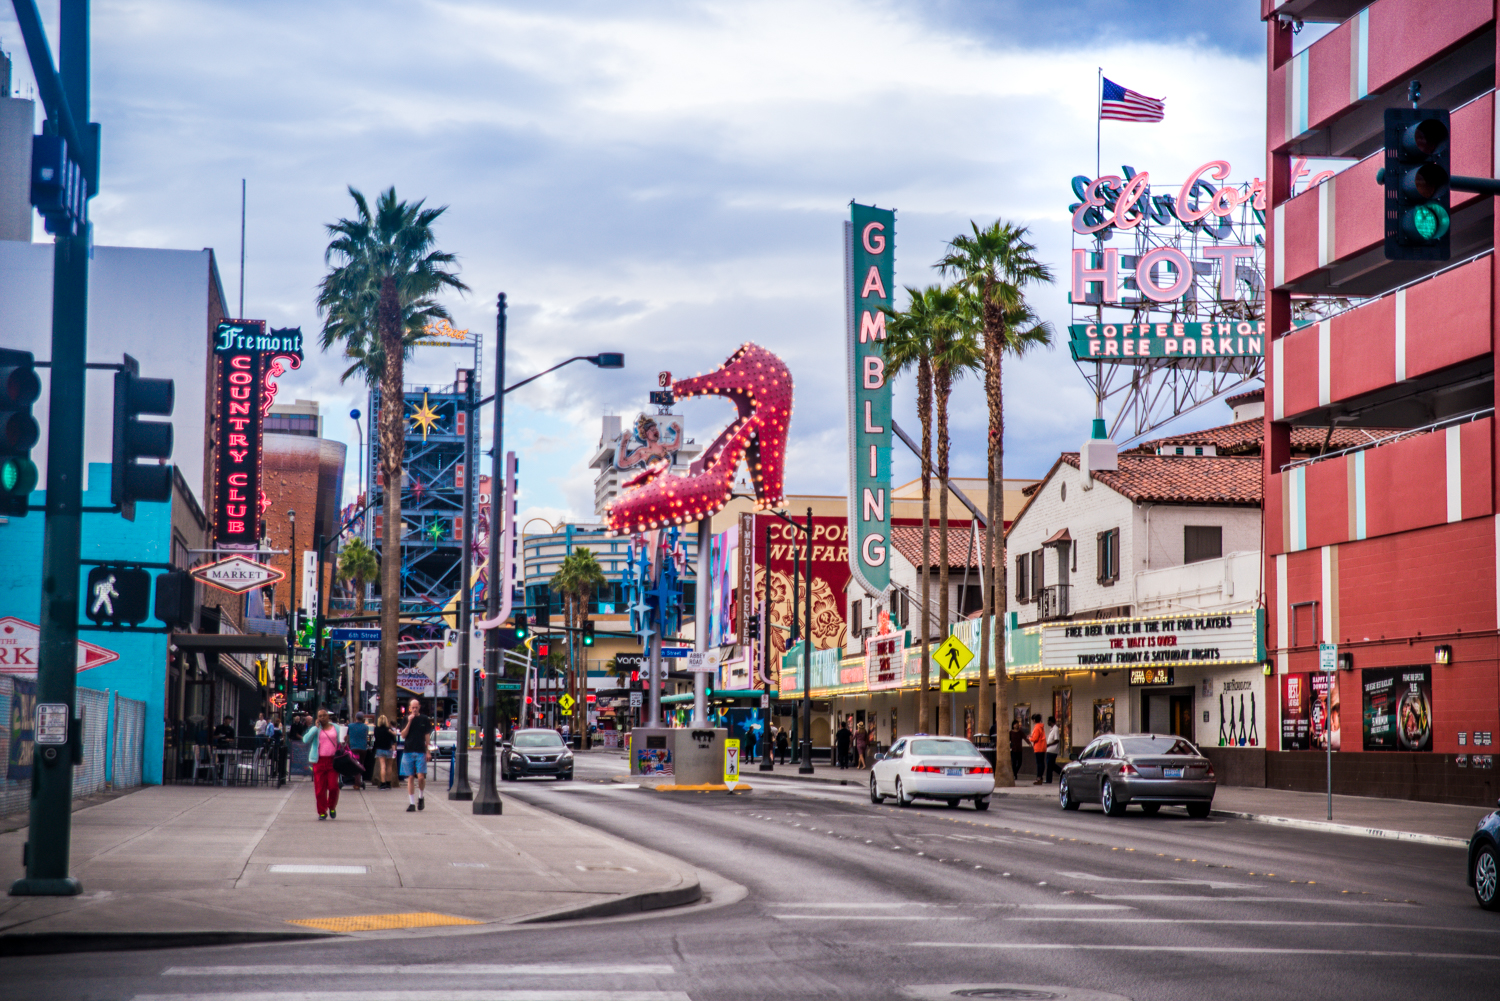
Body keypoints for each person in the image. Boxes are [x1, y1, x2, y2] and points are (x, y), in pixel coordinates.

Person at [303, 708, 341, 820]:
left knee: (333, 786)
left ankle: (332, 806)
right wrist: (315, 728)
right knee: (320, 789)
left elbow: (341, 742)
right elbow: (305, 740)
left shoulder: (336, 728)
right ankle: (322, 811)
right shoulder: (316, 729)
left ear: (328, 716)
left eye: (324, 715)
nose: (322, 718)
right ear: (317, 718)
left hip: (333, 761)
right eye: (320, 716)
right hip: (319, 761)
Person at [400, 698, 433, 812]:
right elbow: (403, 735)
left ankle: (421, 796)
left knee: (421, 777)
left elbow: (427, 735)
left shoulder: (424, 719)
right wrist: (409, 721)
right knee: (410, 777)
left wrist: (428, 750)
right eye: (412, 708)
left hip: (420, 751)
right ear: (409, 708)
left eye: (416, 707)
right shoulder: (405, 719)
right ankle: (412, 803)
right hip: (408, 750)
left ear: (419, 707)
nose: (414, 709)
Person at [347, 712, 371, 791]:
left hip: (353, 748)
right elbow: (366, 735)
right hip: (363, 748)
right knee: (361, 764)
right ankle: (359, 780)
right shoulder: (365, 727)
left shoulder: (350, 726)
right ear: (363, 718)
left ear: (355, 717)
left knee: (355, 765)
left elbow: (347, 736)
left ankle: (357, 783)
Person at [373, 714, 396, 789]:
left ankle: (382, 783)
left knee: (383, 766)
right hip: (388, 748)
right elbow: (393, 738)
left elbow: (375, 738)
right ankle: (388, 782)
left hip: (380, 749)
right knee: (389, 766)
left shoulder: (376, 729)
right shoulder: (389, 729)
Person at [1029, 713, 1046, 785]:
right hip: (1043, 747)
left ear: (1034, 720)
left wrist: (1030, 738)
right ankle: (1040, 777)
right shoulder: (1041, 727)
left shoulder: (1036, 727)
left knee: (1039, 763)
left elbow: (1035, 738)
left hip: (1038, 747)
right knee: (1042, 763)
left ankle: (1038, 778)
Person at [1045, 715, 1062, 784]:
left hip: (1052, 750)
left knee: (1050, 765)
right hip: (1049, 750)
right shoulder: (1052, 729)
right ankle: (1048, 779)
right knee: (1050, 765)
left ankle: (1062, 772)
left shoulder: (1055, 729)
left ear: (1051, 721)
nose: (1047, 723)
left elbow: (1056, 740)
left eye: (1048, 721)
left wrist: (1048, 744)